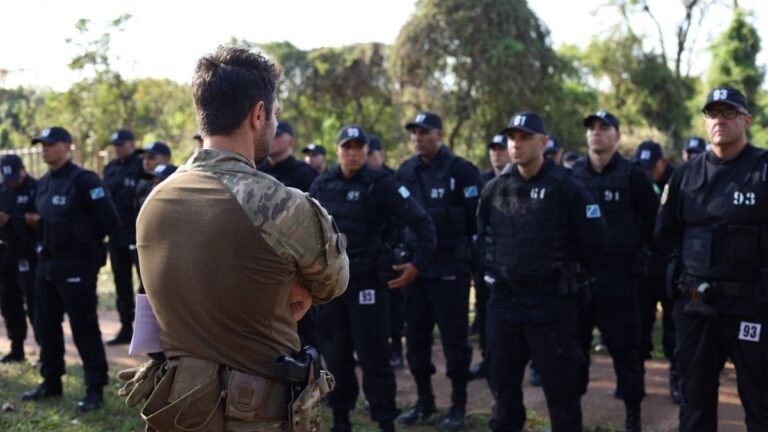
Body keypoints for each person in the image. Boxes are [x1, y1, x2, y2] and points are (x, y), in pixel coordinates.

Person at [132, 46, 348, 431]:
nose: (275, 123)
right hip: (257, 414)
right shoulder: (281, 205)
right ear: (259, 114)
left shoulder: (155, 200)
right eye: (275, 113)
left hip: (180, 412)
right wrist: (294, 286)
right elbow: (334, 282)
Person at [480, 111, 607, 431]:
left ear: (544, 142)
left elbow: (596, 242)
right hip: (505, 304)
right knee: (504, 389)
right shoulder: (495, 188)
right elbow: (482, 240)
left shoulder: (568, 188)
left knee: (561, 393)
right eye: (512, 137)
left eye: (525, 137)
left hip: (551, 305)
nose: (516, 144)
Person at [656, 86, 768, 431]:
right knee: (695, 402)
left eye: (729, 113)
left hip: (752, 307)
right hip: (696, 308)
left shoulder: (763, 169)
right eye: (713, 114)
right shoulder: (685, 175)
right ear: (705, 122)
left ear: (746, 120)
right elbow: (665, 236)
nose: (720, 120)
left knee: (761, 401)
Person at [310, 125, 436, 432]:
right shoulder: (321, 185)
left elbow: (422, 223)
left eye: (358, 147)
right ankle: (341, 420)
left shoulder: (381, 184)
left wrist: (417, 264)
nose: (352, 153)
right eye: (346, 146)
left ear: (366, 151)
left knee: (374, 355)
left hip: (368, 284)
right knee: (336, 355)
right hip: (331, 287)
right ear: (337, 150)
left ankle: (385, 421)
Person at [571, 111, 659, 431]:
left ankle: (632, 414)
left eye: (604, 128)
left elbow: (653, 224)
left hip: (621, 279)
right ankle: (571, 415)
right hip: (581, 280)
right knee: (574, 349)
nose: (596, 133)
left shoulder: (633, 176)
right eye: (591, 128)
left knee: (626, 349)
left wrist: (647, 264)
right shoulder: (574, 175)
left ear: (617, 136)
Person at [21, 126, 118, 412]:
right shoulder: (44, 183)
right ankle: (51, 382)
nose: (44, 149)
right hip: (47, 265)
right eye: (42, 145)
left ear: (67, 146)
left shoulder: (85, 181)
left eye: (50, 144)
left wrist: (82, 240)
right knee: (45, 326)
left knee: (84, 329)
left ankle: (94, 388)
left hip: (77, 266)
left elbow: (109, 222)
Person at [396, 111, 482, 430]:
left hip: (450, 271)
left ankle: (458, 406)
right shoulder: (405, 171)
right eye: (414, 132)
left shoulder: (462, 171)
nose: (418, 137)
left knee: (455, 343)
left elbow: (476, 221)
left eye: (425, 131)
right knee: (416, 340)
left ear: (440, 135)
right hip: (414, 271)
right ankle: (424, 401)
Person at [634, 140, 679, 402]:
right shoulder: (635, 181)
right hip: (644, 266)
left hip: (670, 266)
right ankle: (636, 379)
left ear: (663, 162)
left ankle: (676, 379)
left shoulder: (678, 180)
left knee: (674, 328)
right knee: (640, 325)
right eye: (642, 167)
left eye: (651, 167)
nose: (647, 172)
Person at [469, 133, 510, 382]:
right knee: (485, 314)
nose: (496, 153)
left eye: (501, 148)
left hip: (512, 263)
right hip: (485, 261)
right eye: (493, 149)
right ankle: (487, 358)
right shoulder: (482, 180)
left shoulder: (518, 180)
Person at [103, 128, 144, 345]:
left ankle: (145, 332)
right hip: (116, 235)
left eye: (122, 144)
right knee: (121, 284)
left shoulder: (142, 166)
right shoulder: (110, 169)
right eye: (115, 145)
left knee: (144, 285)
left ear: (132, 143)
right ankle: (125, 328)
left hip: (138, 234)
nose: (118, 148)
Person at [0, 154, 38, 363]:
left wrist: (12, 220)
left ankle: (45, 351)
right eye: (8, 178)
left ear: (24, 168)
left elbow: (40, 221)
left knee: (35, 304)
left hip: (28, 254)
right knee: (8, 303)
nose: (12, 181)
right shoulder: (3, 189)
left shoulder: (36, 188)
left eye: (15, 176)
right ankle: (16, 348)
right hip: (5, 255)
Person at [258, 121, 318, 192]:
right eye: (268, 134)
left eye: (277, 135)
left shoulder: (305, 174)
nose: (271, 138)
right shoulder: (257, 170)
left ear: (291, 142)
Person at [135, 141, 172, 210]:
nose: (145, 162)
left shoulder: (176, 179)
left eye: (150, 157)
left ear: (166, 158)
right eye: (144, 158)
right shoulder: (142, 182)